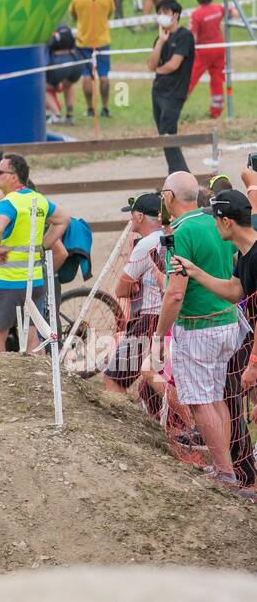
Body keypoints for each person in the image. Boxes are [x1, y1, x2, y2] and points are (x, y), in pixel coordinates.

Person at [150, 172, 241, 488]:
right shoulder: (214, 223)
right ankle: (226, 467)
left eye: (163, 193)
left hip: (198, 326)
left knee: (201, 402)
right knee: (216, 397)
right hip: (226, 320)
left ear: (170, 197)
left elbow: (175, 293)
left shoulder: (182, 233)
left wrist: (159, 336)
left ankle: (225, 471)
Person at [171, 187, 257, 491]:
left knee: (211, 400)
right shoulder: (245, 255)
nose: (213, 223)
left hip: (239, 343)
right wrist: (195, 272)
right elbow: (234, 291)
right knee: (224, 400)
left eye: (215, 218)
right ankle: (235, 474)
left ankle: (233, 474)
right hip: (233, 331)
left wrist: (254, 363)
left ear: (227, 222)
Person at [0, 153, 69, 354]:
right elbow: (64, 219)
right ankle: (39, 380)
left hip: (6, 280)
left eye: (0, 171)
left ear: (13, 177)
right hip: (34, 280)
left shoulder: (8, 203)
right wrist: (42, 246)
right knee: (32, 338)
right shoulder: (39, 200)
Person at [107, 193, 164, 412]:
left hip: (150, 317)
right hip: (169, 318)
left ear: (139, 216)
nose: (129, 219)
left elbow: (121, 289)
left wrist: (134, 284)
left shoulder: (146, 244)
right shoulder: (169, 236)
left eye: (131, 215)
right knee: (149, 385)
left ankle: (120, 430)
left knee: (115, 379)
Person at [147, 0, 195, 175]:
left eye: (166, 12)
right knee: (165, 137)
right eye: (159, 13)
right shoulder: (160, 39)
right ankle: (175, 177)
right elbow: (151, 64)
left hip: (174, 94)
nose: (162, 16)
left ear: (176, 15)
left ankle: (182, 176)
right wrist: (160, 42)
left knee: (168, 135)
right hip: (158, 92)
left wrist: (158, 70)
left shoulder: (185, 36)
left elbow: (174, 64)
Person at [69, 0, 115, 118]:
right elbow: (110, 13)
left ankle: (90, 108)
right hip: (102, 41)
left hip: (83, 41)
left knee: (86, 76)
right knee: (103, 76)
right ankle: (105, 107)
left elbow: (73, 15)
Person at [187, 0, 225, 120]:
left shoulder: (196, 14)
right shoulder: (218, 8)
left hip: (204, 51)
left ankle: (176, 105)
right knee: (217, 79)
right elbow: (233, 13)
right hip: (220, 48)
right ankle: (216, 111)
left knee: (190, 77)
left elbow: (193, 36)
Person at [44, 23, 81, 124]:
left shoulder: (48, 31)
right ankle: (70, 116)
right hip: (76, 62)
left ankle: (56, 115)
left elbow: (45, 51)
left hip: (59, 64)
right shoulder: (65, 28)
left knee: (41, 88)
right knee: (68, 86)